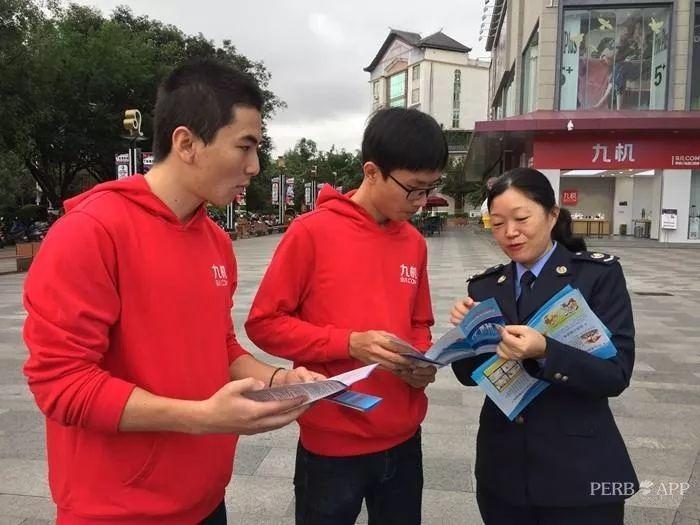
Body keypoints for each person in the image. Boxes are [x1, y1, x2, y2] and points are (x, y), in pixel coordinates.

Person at [23, 59, 323, 525]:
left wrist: (274, 379)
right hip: (116, 511)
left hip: (205, 500)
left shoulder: (216, 241)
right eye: (244, 146)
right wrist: (202, 417)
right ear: (186, 143)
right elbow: (60, 385)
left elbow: (218, 345)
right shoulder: (90, 233)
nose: (254, 166)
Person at [245, 107, 447, 525]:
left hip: (404, 436)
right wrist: (348, 342)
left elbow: (419, 321)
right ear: (371, 171)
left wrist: (420, 361)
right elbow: (264, 323)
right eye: (413, 189)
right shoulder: (311, 232)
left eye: (430, 188)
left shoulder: (413, 242)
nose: (421, 201)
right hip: (332, 441)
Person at [450, 167, 638, 525]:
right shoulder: (486, 286)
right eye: (498, 223)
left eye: (521, 218)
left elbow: (616, 374)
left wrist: (546, 351)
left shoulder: (597, 276)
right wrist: (467, 332)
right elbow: (469, 376)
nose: (510, 233)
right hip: (503, 472)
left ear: (552, 215)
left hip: (580, 473)